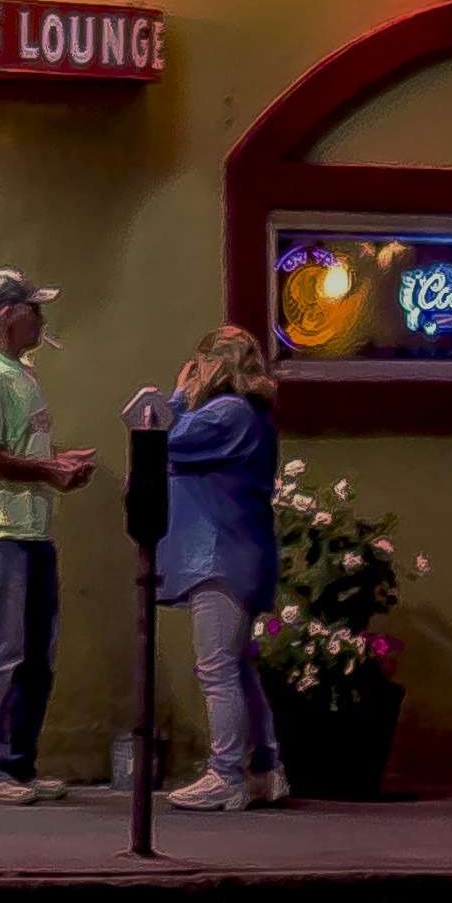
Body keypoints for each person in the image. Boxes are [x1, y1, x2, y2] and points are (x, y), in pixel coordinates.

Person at [0, 267, 93, 799]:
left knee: (32, 658)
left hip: (27, 534)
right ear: (9, 315)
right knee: (1, 654)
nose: (41, 317)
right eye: (33, 308)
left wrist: (56, 460)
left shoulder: (17, 373)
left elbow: (13, 448)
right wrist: (49, 472)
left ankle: (16, 765)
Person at [150, 325, 287, 807]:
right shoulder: (251, 416)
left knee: (216, 669)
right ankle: (265, 769)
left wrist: (178, 395)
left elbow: (162, 438)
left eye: (200, 361)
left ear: (213, 364)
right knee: (237, 666)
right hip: (239, 550)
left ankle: (226, 774)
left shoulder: (227, 413)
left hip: (218, 554)